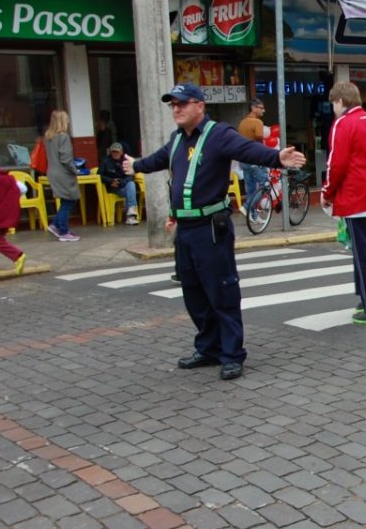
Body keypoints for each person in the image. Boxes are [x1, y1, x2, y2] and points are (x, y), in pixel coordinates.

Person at [123, 82, 305, 381]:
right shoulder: (178, 139)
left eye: (182, 103)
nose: (176, 109)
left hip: (210, 227)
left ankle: (232, 354)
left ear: (200, 105)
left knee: (222, 292)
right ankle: (209, 347)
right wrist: (137, 165)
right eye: (173, 105)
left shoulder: (218, 134)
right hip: (186, 229)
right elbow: (159, 159)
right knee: (193, 294)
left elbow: (247, 150)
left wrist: (276, 158)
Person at [320, 81, 366, 325]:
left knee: (364, 254)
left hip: (358, 197)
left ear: (340, 101)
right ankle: (365, 297)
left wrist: (327, 192)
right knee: (364, 250)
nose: (333, 107)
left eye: (333, 102)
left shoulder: (343, 123)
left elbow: (336, 164)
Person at [45, 109, 81, 242]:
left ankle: (56, 224)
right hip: (63, 173)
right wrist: (75, 170)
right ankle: (63, 230)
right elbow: (66, 159)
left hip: (52, 172)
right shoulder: (63, 137)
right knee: (70, 200)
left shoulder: (48, 137)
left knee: (65, 201)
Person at [237, 98, 270, 218]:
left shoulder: (242, 122)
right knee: (265, 186)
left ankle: (253, 217)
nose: (263, 110)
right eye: (261, 108)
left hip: (243, 160)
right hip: (255, 160)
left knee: (250, 189)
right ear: (253, 108)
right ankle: (247, 207)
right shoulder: (258, 123)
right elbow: (259, 142)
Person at [98, 142, 139, 225]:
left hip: (123, 186)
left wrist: (120, 182)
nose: (115, 153)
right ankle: (130, 215)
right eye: (113, 151)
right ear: (110, 152)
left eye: (117, 151)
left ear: (121, 152)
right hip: (112, 188)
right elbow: (99, 175)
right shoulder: (105, 161)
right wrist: (111, 181)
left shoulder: (126, 161)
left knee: (131, 184)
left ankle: (131, 212)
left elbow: (130, 176)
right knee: (130, 189)